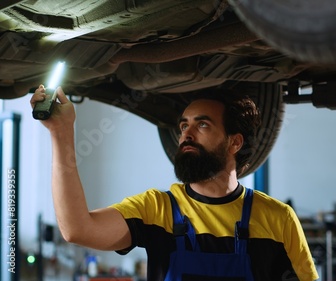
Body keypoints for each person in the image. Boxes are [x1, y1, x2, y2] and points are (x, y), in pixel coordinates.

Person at [30, 84, 319, 281]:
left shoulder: (278, 218)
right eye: (184, 125)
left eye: (202, 125)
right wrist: (61, 131)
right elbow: (77, 229)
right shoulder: (156, 209)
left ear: (234, 142)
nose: (186, 134)